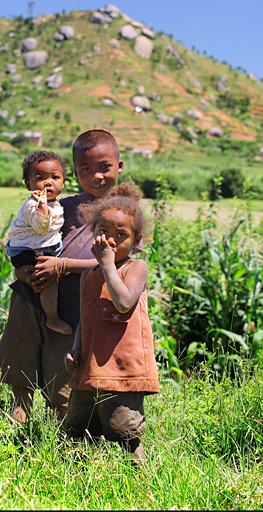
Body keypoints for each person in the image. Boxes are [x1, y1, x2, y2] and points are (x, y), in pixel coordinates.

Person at [0, 130, 124, 423]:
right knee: (21, 353)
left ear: (119, 167)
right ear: (75, 173)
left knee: (62, 368)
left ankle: (62, 431)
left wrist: (61, 266)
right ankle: (18, 418)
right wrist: (21, 270)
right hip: (34, 292)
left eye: (105, 167)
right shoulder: (66, 206)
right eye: (86, 169)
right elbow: (32, 239)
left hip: (76, 306)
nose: (96, 176)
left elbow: (115, 263)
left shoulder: (123, 215)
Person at [64, 183, 159, 465]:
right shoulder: (89, 276)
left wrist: (107, 265)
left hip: (123, 369)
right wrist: (76, 350)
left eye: (122, 235)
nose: (112, 240)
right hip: (90, 368)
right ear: (94, 234)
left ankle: (143, 481)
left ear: (137, 240)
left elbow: (123, 301)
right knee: (77, 430)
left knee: (123, 431)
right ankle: (75, 478)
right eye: (104, 231)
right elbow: (86, 317)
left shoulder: (136, 268)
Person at [5, 151, 71, 335]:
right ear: (29, 184)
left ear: (63, 183)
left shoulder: (55, 203)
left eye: (55, 177)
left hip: (37, 247)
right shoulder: (33, 205)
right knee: (48, 282)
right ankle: (52, 319)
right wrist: (42, 206)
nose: (48, 182)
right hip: (28, 250)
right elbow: (41, 228)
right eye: (40, 178)